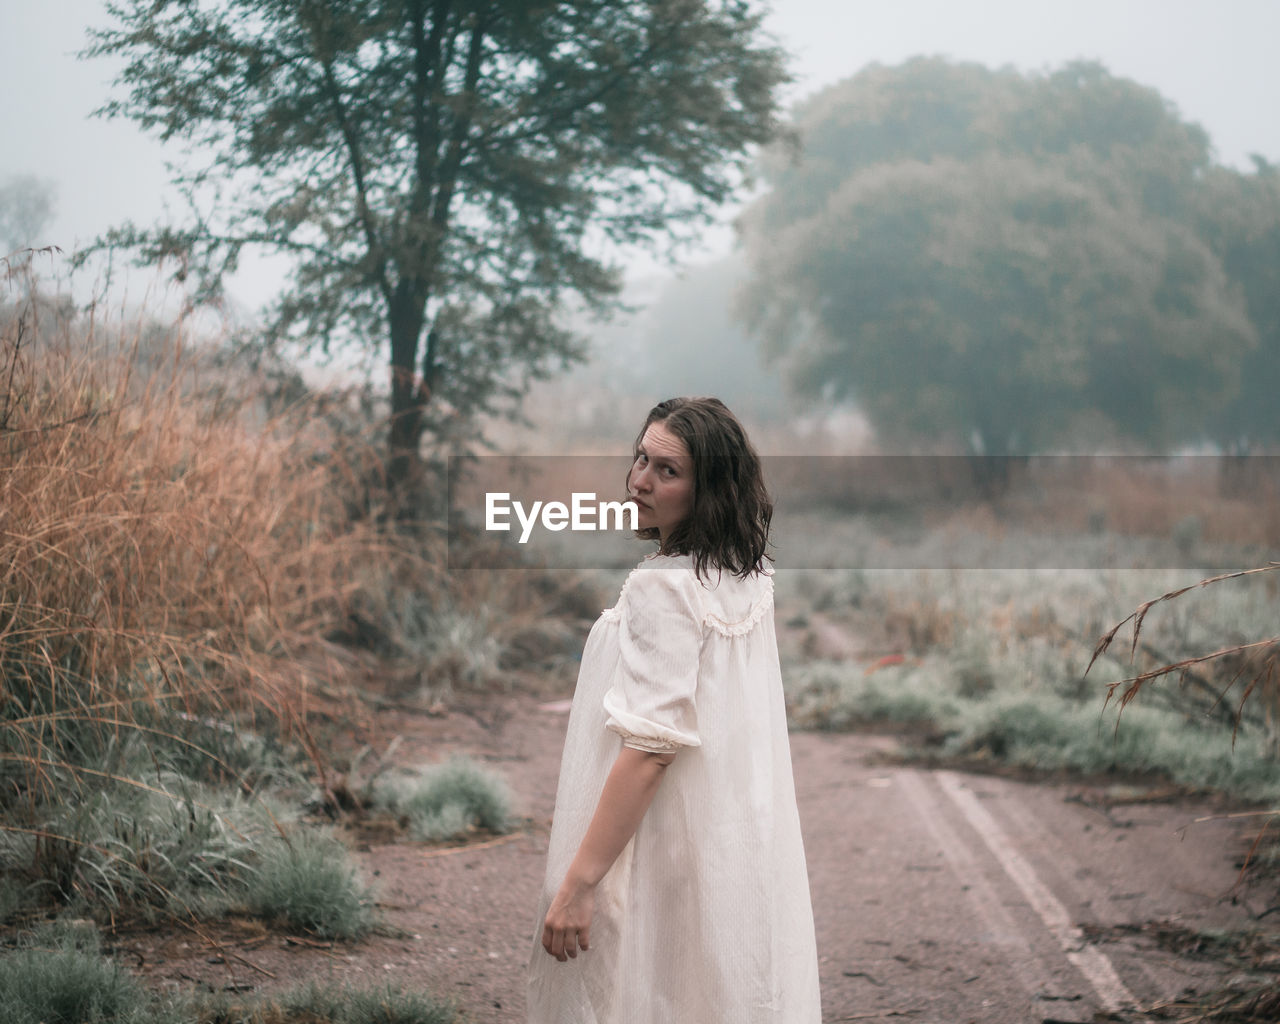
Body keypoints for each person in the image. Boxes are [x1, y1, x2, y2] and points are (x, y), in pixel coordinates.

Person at [526, 397, 822, 1023]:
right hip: (727, 838)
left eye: (667, 470)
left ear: (708, 489)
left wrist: (579, 884)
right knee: (711, 989)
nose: (638, 480)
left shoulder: (663, 589)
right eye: (641, 457)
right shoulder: (744, 577)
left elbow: (650, 750)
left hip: (658, 838)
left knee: (644, 991)